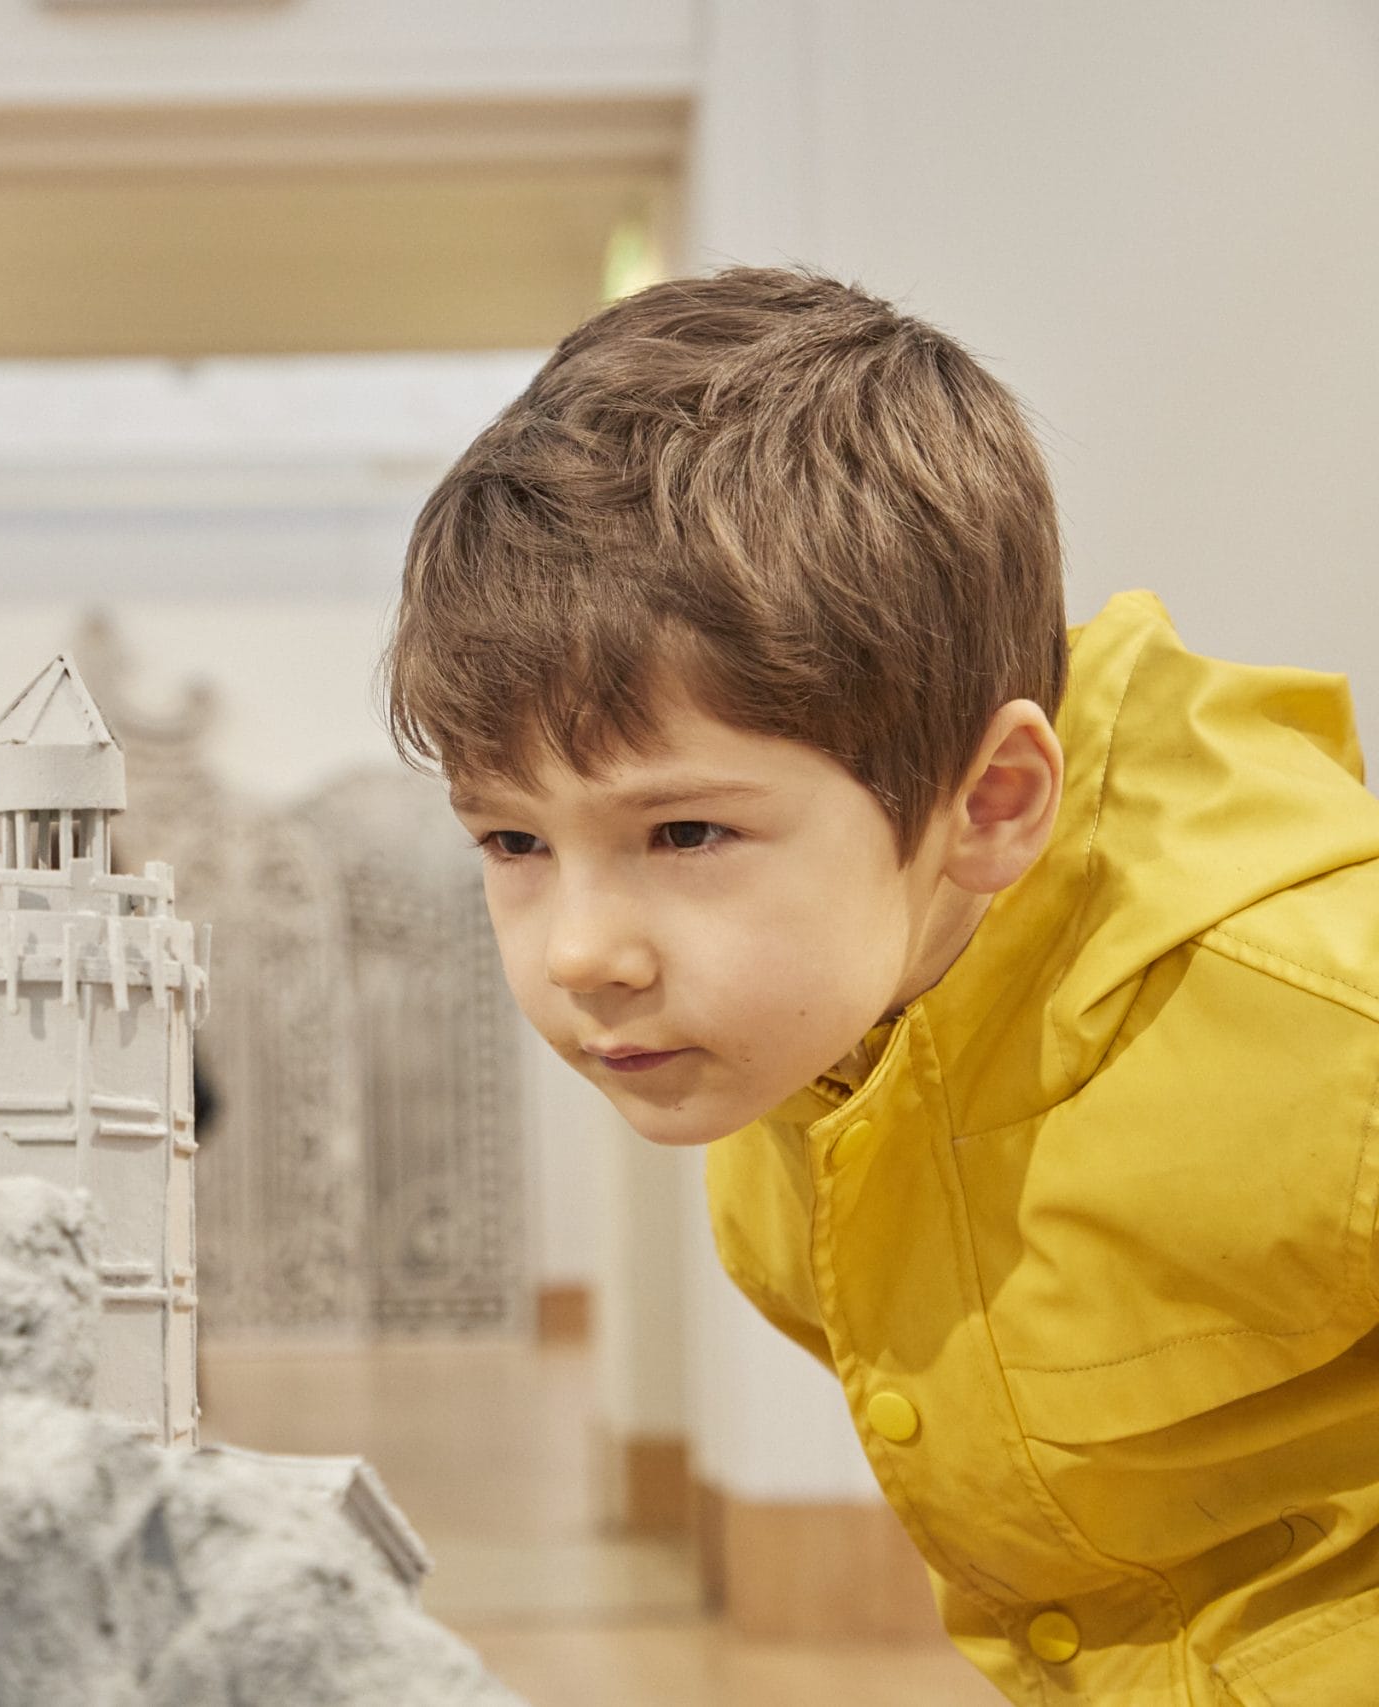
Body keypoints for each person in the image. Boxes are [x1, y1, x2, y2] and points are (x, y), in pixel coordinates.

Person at [385, 267, 1379, 1700]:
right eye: (513, 841)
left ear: (991, 802)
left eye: (686, 833)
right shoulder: (779, 1103)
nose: (579, 952)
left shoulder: (1321, 1027)